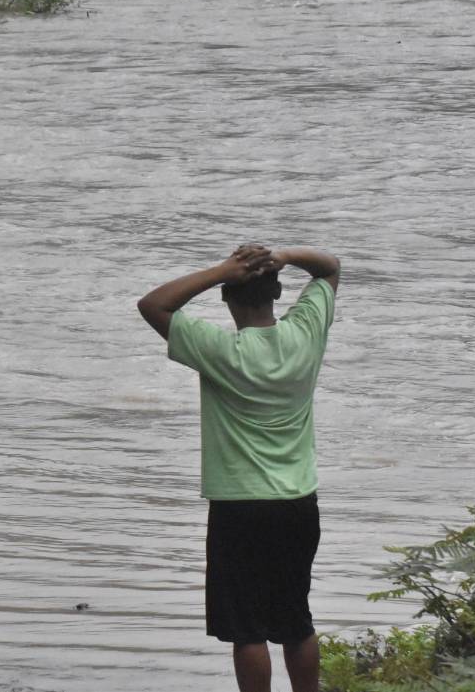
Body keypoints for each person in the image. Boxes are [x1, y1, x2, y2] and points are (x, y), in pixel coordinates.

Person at [136, 245, 340, 692]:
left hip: (239, 506)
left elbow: (152, 304)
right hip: (298, 502)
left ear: (227, 298)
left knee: (248, 628)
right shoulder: (305, 334)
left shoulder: (220, 350)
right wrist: (282, 253)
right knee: (295, 619)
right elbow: (329, 267)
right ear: (279, 293)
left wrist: (222, 270)